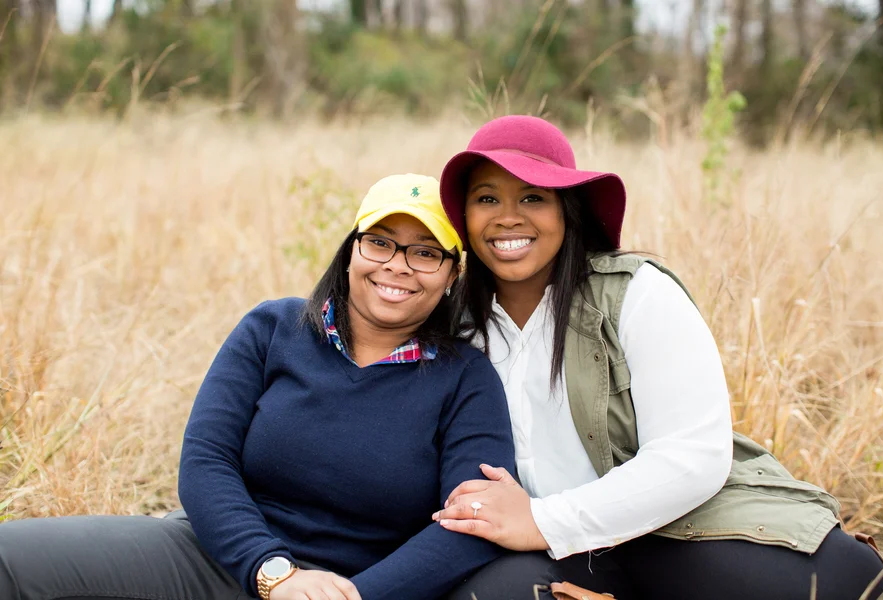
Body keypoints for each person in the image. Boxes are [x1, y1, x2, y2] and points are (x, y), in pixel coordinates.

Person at [432, 115, 883, 600]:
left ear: (568, 210)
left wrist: (542, 519)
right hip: (558, 553)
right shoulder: (451, 323)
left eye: (533, 197)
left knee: (827, 586)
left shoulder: (635, 293)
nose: (508, 217)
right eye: (487, 199)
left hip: (681, 529)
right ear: (463, 216)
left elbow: (692, 455)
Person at [0, 174, 517, 600]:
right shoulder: (273, 328)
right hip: (220, 558)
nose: (396, 265)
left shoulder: (465, 379)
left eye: (425, 253)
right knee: (10, 559)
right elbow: (206, 459)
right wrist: (273, 573)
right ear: (351, 251)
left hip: (355, 587)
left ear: (451, 275)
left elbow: (472, 524)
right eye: (379, 242)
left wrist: (355, 597)